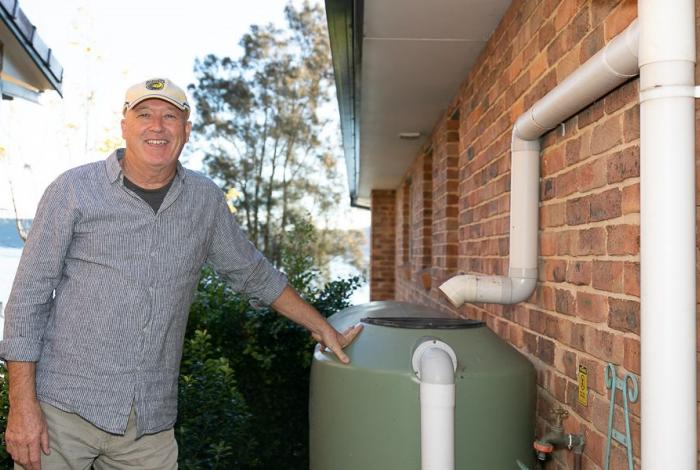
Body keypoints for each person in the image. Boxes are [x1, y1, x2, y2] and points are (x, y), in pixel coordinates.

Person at [0, 78, 362, 470]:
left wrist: (321, 325)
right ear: (124, 126)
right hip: (62, 411)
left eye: (170, 116)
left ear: (186, 131)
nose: (157, 126)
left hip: (149, 425)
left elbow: (253, 273)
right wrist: (22, 405)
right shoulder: (72, 190)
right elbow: (27, 300)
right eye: (144, 114)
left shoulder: (204, 200)